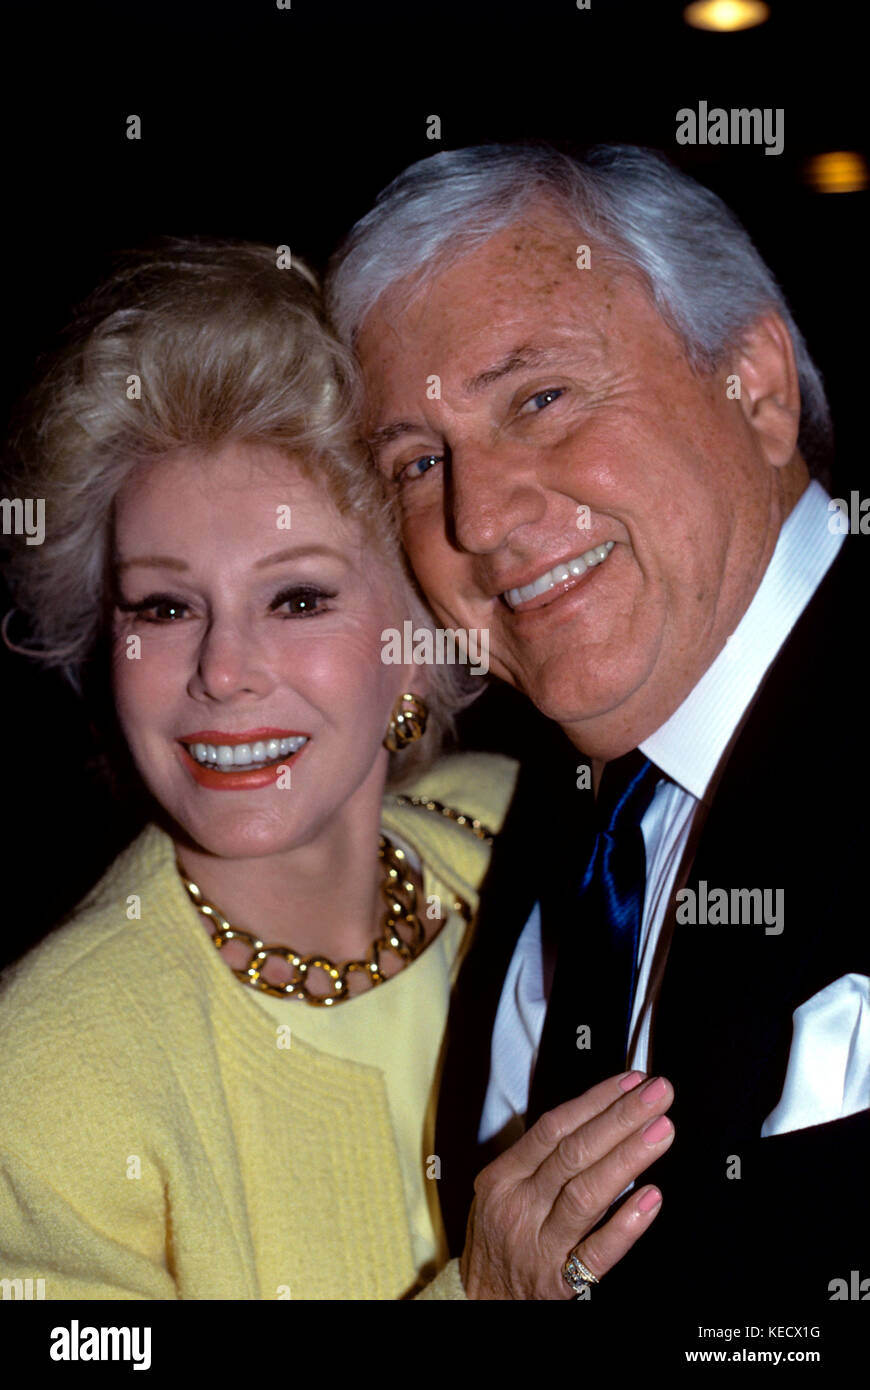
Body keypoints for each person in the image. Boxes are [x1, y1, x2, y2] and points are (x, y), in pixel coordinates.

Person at [0, 238, 675, 1301]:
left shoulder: (549, 834)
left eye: (299, 598)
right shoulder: (48, 1065)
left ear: (415, 632)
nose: (223, 672)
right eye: (164, 606)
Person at [326, 143, 870, 1308]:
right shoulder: (569, 816)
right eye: (420, 462)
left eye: (540, 398)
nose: (479, 517)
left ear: (758, 387)